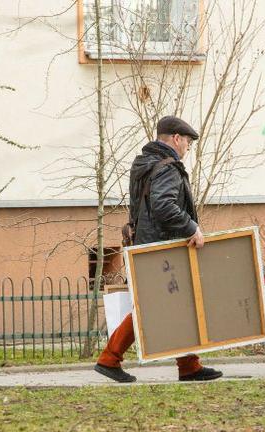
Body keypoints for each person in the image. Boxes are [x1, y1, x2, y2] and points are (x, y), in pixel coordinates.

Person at [94, 116, 223, 383]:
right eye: (187, 142)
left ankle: (189, 366)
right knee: (149, 307)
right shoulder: (168, 168)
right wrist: (191, 228)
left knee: (177, 304)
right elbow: (164, 206)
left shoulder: (144, 164)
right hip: (163, 248)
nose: (187, 148)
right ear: (176, 138)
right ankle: (109, 358)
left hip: (146, 244)